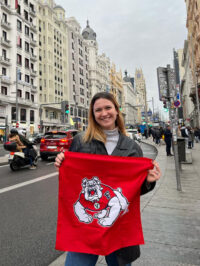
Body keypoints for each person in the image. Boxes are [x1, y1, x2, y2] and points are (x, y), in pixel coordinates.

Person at [55, 92, 161, 266]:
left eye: (108, 108)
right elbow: (72, 184)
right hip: (85, 231)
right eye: (98, 110)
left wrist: (149, 181)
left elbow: (134, 191)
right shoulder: (80, 142)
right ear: (93, 114)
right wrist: (62, 163)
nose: (104, 113)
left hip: (119, 226)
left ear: (117, 111)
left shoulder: (132, 147)